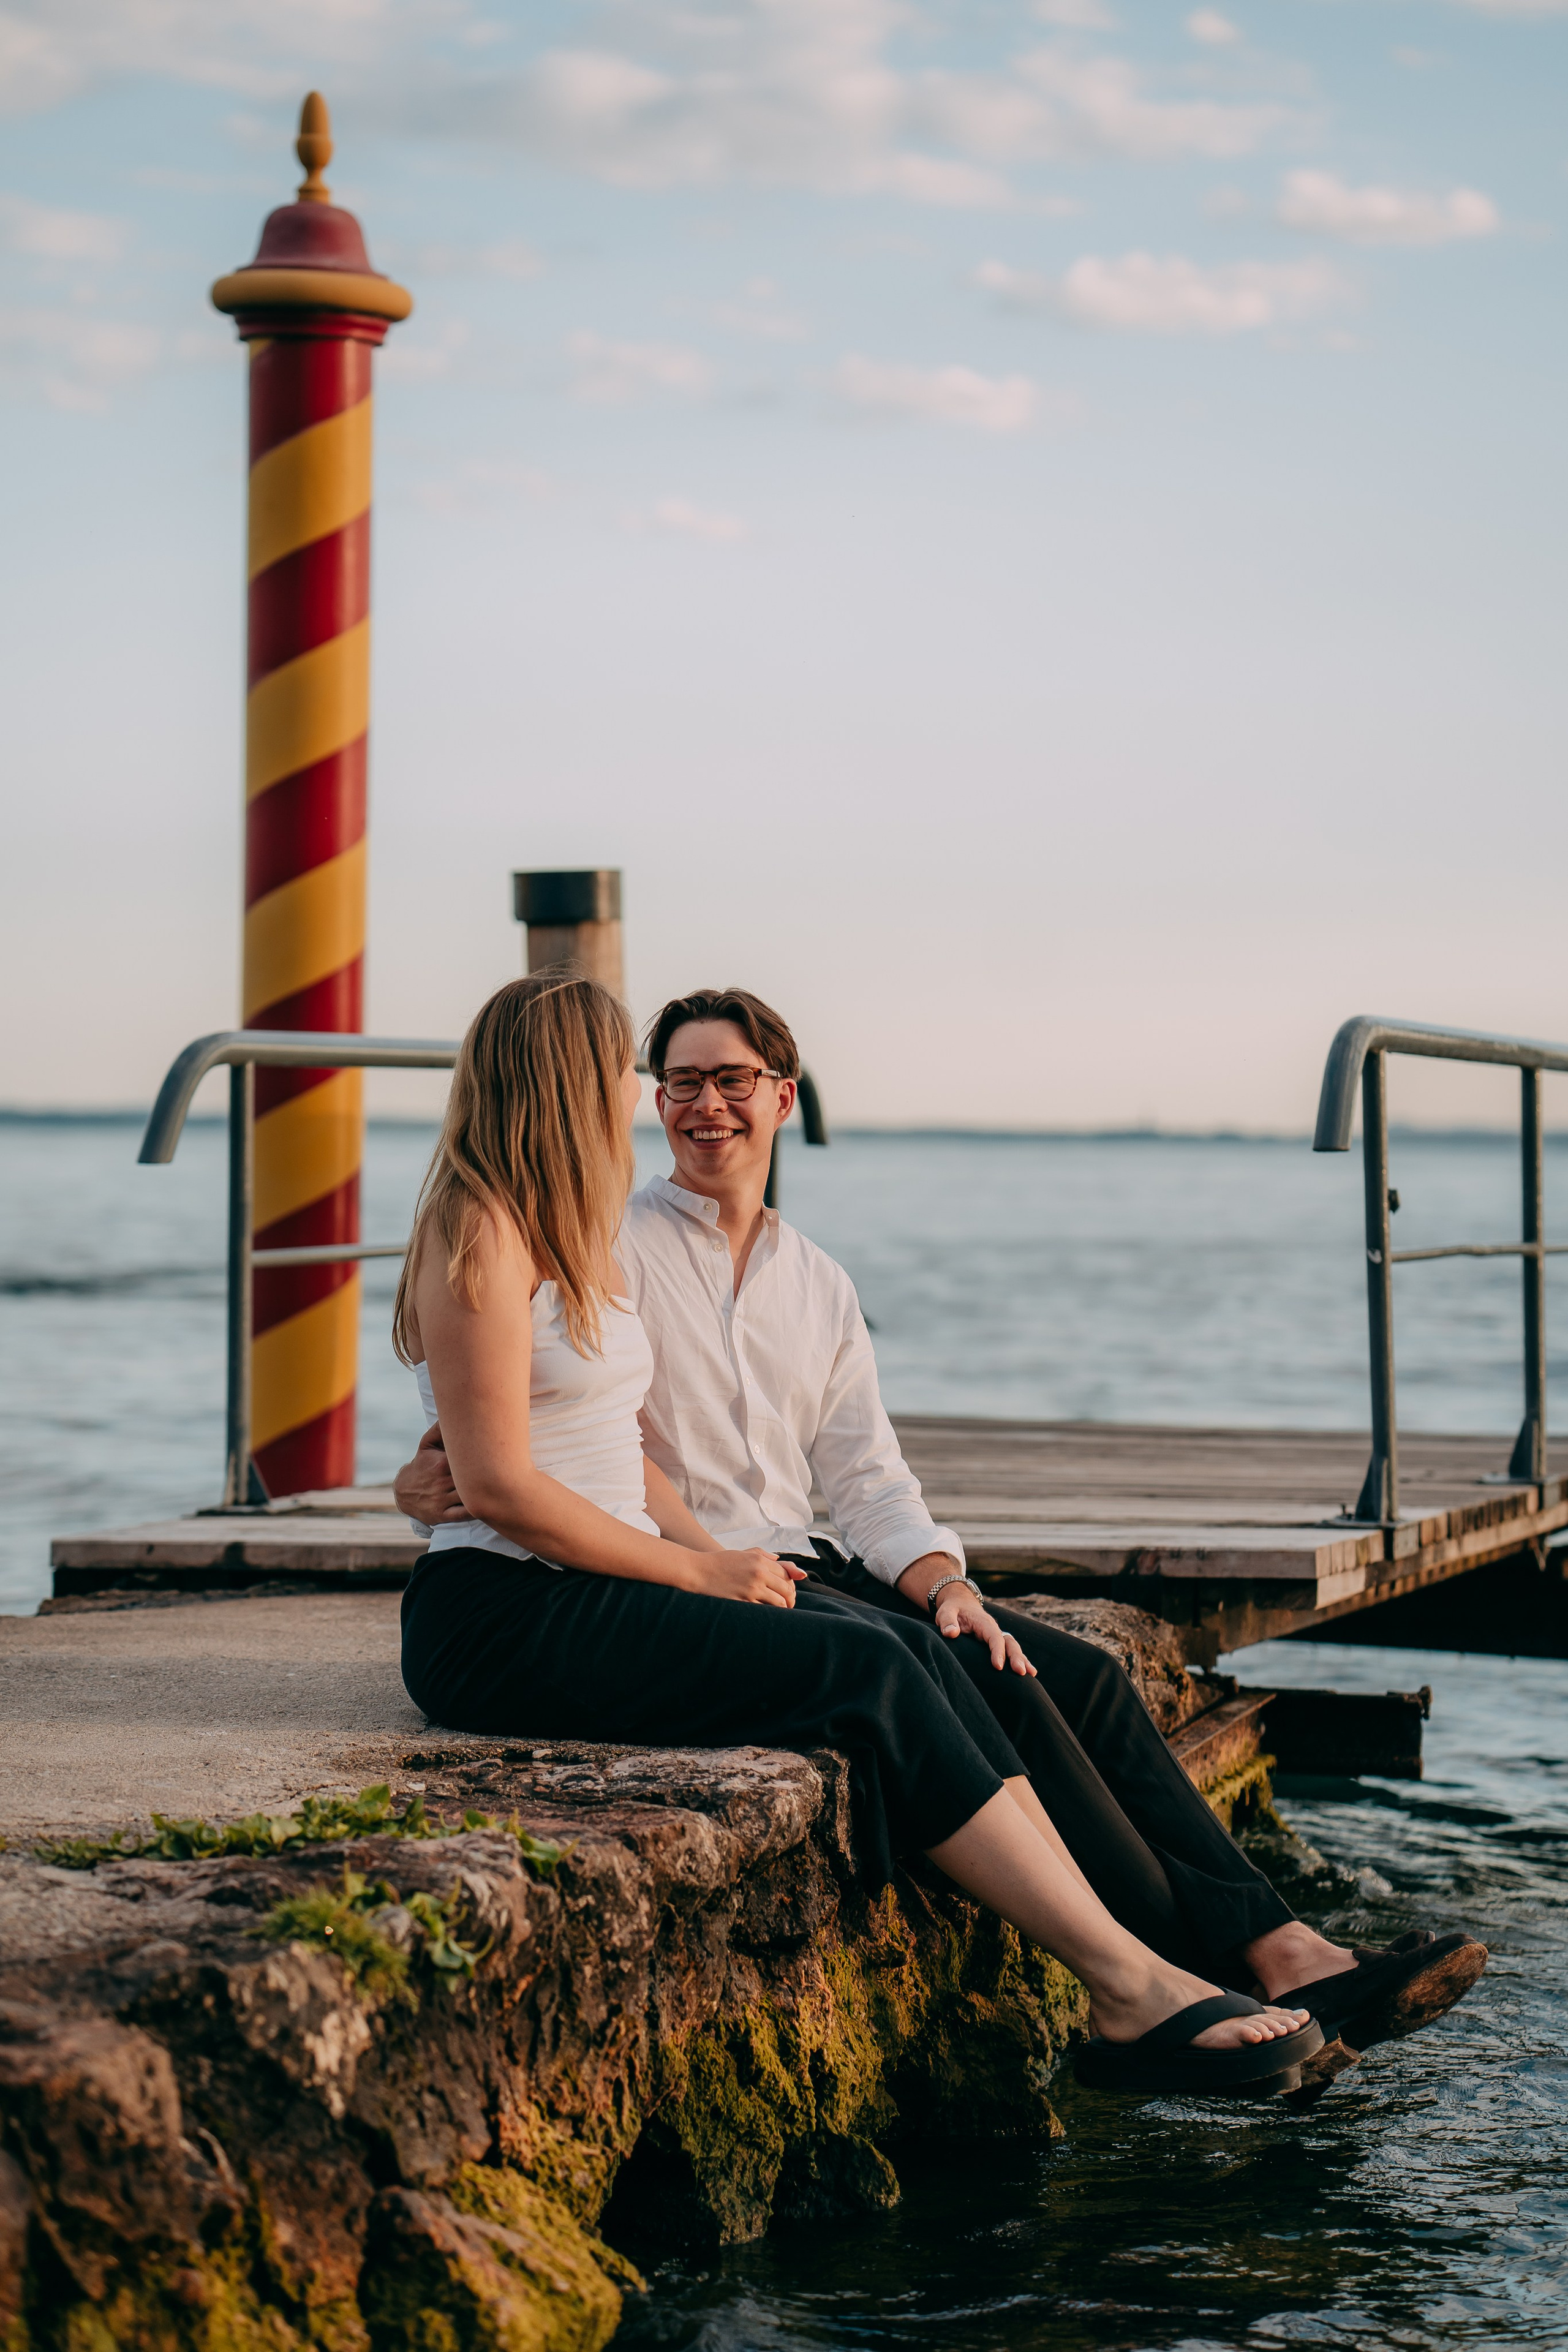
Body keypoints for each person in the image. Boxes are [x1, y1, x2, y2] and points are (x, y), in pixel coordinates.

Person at [396, 984, 1487, 2059]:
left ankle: (1270, 1949)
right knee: (906, 1669)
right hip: (655, 1569)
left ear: (783, 1096)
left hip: (745, 1559)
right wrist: (668, 1555)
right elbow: (507, 1456)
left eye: (727, 1081)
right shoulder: (601, 1240)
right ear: (575, 1086)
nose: (684, 1105)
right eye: (668, 1082)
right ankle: (1160, 1977)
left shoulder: (806, 1280)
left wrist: (944, 1581)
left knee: (1058, 1670)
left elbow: (866, 1474)